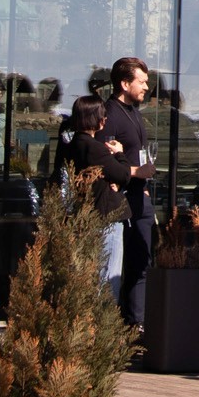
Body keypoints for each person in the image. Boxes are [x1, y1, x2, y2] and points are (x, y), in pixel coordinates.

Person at [62, 94, 133, 303]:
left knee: (89, 277)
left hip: (85, 215)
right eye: (103, 117)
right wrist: (119, 154)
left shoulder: (73, 144)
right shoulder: (94, 148)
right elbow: (123, 174)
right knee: (107, 279)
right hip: (105, 218)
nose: (105, 121)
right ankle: (102, 327)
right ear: (97, 120)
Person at [104, 57, 157, 330]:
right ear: (125, 83)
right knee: (115, 264)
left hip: (140, 197)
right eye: (142, 81)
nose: (147, 86)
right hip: (119, 199)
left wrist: (144, 186)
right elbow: (104, 159)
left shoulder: (135, 113)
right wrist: (135, 172)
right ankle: (114, 324)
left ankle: (138, 323)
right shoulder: (109, 114)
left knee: (142, 260)